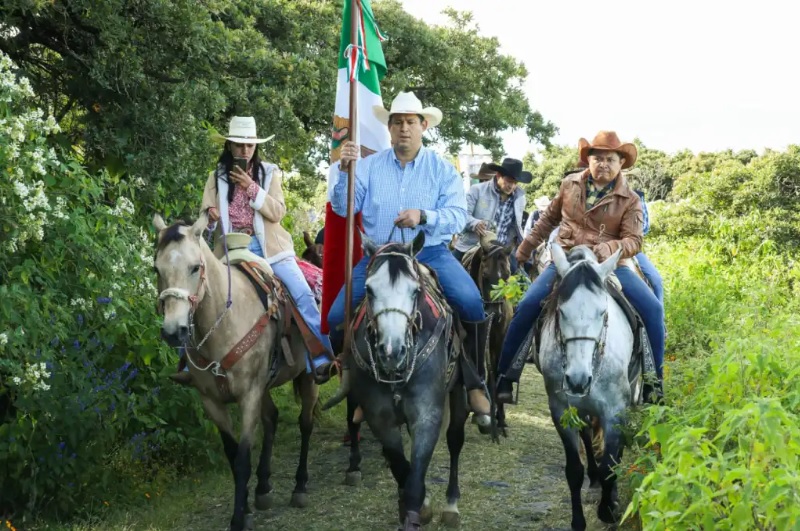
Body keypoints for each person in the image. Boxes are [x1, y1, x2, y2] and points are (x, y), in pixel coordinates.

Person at [329, 91, 491, 419]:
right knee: (336, 316)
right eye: (398, 122)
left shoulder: (442, 170)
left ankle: (475, 381)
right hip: (380, 256)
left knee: (471, 302)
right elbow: (343, 207)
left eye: (410, 122)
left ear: (424, 125)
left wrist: (424, 216)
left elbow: (458, 215)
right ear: (389, 128)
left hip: (429, 253)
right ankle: (358, 381)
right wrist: (345, 170)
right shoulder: (368, 166)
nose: (404, 128)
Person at [495, 131, 665, 403]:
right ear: (589, 160)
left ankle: (654, 383)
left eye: (610, 159)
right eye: (597, 158)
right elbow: (548, 219)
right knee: (528, 304)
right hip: (567, 259)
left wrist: (609, 248)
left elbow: (634, 240)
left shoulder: (630, 199)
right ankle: (505, 376)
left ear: (621, 163)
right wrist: (524, 249)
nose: (603, 164)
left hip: (609, 265)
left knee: (653, 310)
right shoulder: (569, 184)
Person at [198, 116, 336, 384]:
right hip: (229, 249)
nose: (245, 151)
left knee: (303, 295)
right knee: (199, 296)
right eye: (239, 145)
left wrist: (251, 188)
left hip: (270, 248)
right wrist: (211, 216)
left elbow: (277, 212)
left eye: (250, 145)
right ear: (229, 146)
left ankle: (320, 357)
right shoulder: (215, 178)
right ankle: (193, 364)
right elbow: (205, 219)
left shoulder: (269, 173)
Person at [452, 158, 530, 274]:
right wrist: (474, 223)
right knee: (449, 277)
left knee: (524, 284)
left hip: (503, 250)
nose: (512, 186)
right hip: (473, 245)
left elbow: (515, 227)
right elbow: (461, 215)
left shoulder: (520, 198)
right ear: (498, 176)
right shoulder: (477, 190)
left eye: (515, 183)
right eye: (509, 181)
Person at [633, 189, 664, 304]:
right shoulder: (581, 193)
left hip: (628, 250)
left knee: (655, 280)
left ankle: (659, 318)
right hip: (587, 248)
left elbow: (643, 227)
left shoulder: (634, 196)